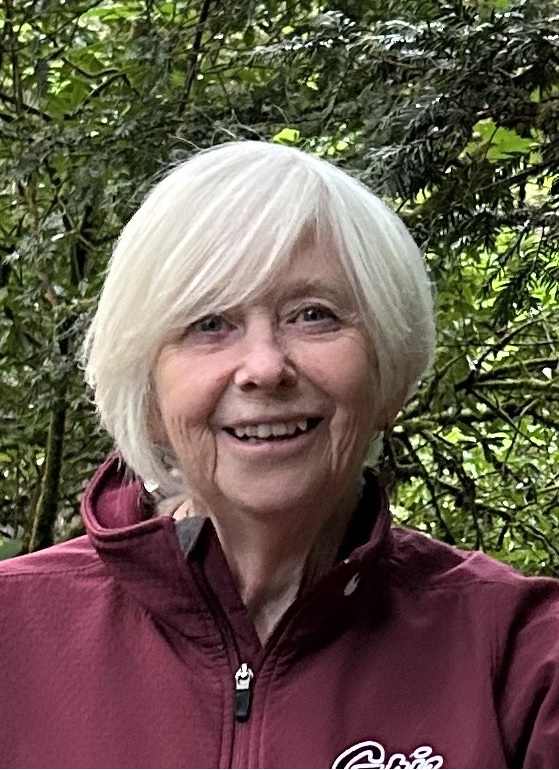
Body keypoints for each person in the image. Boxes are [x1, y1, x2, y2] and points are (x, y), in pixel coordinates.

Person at [1, 141, 558, 770]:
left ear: (387, 376)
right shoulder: (13, 635)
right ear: (150, 393)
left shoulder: (520, 657)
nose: (264, 368)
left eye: (314, 315)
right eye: (209, 323)